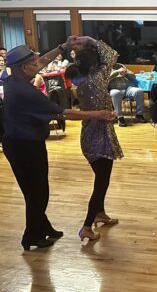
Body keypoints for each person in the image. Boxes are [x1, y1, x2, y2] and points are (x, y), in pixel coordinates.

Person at [2, 40, 116, 250]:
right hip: (22, 146)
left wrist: (62, 47)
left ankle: (43, 226)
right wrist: (98, 114)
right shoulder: (26, 92)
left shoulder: (12, 79)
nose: (39, 63)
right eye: (33, 62)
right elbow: (65, 113)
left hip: (26, 141)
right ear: (24, 67)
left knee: (36, 189)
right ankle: (31, 237)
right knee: (36, 192)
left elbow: (43, 61)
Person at [64, 37, 124, 241]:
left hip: (91, 135)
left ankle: (99, 213)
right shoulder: (96, 79)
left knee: (102, 179)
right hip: (98, 136)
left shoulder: (83, 84)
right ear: (95, 65)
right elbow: (112, 55)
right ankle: (87, 226)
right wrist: (90, 39)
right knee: (101, 182)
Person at [108, 52, 146, 127]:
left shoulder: (121, 66)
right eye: (113, 57)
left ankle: (139, 114)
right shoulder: (105, 67)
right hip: (114, 89)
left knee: (139, 91)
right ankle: (120, 117)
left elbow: (133, 77)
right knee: (115, 93)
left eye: (116, 57)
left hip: (127, 88)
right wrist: (117, 72)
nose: (114, 59)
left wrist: (126, 73)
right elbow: (106, 78)